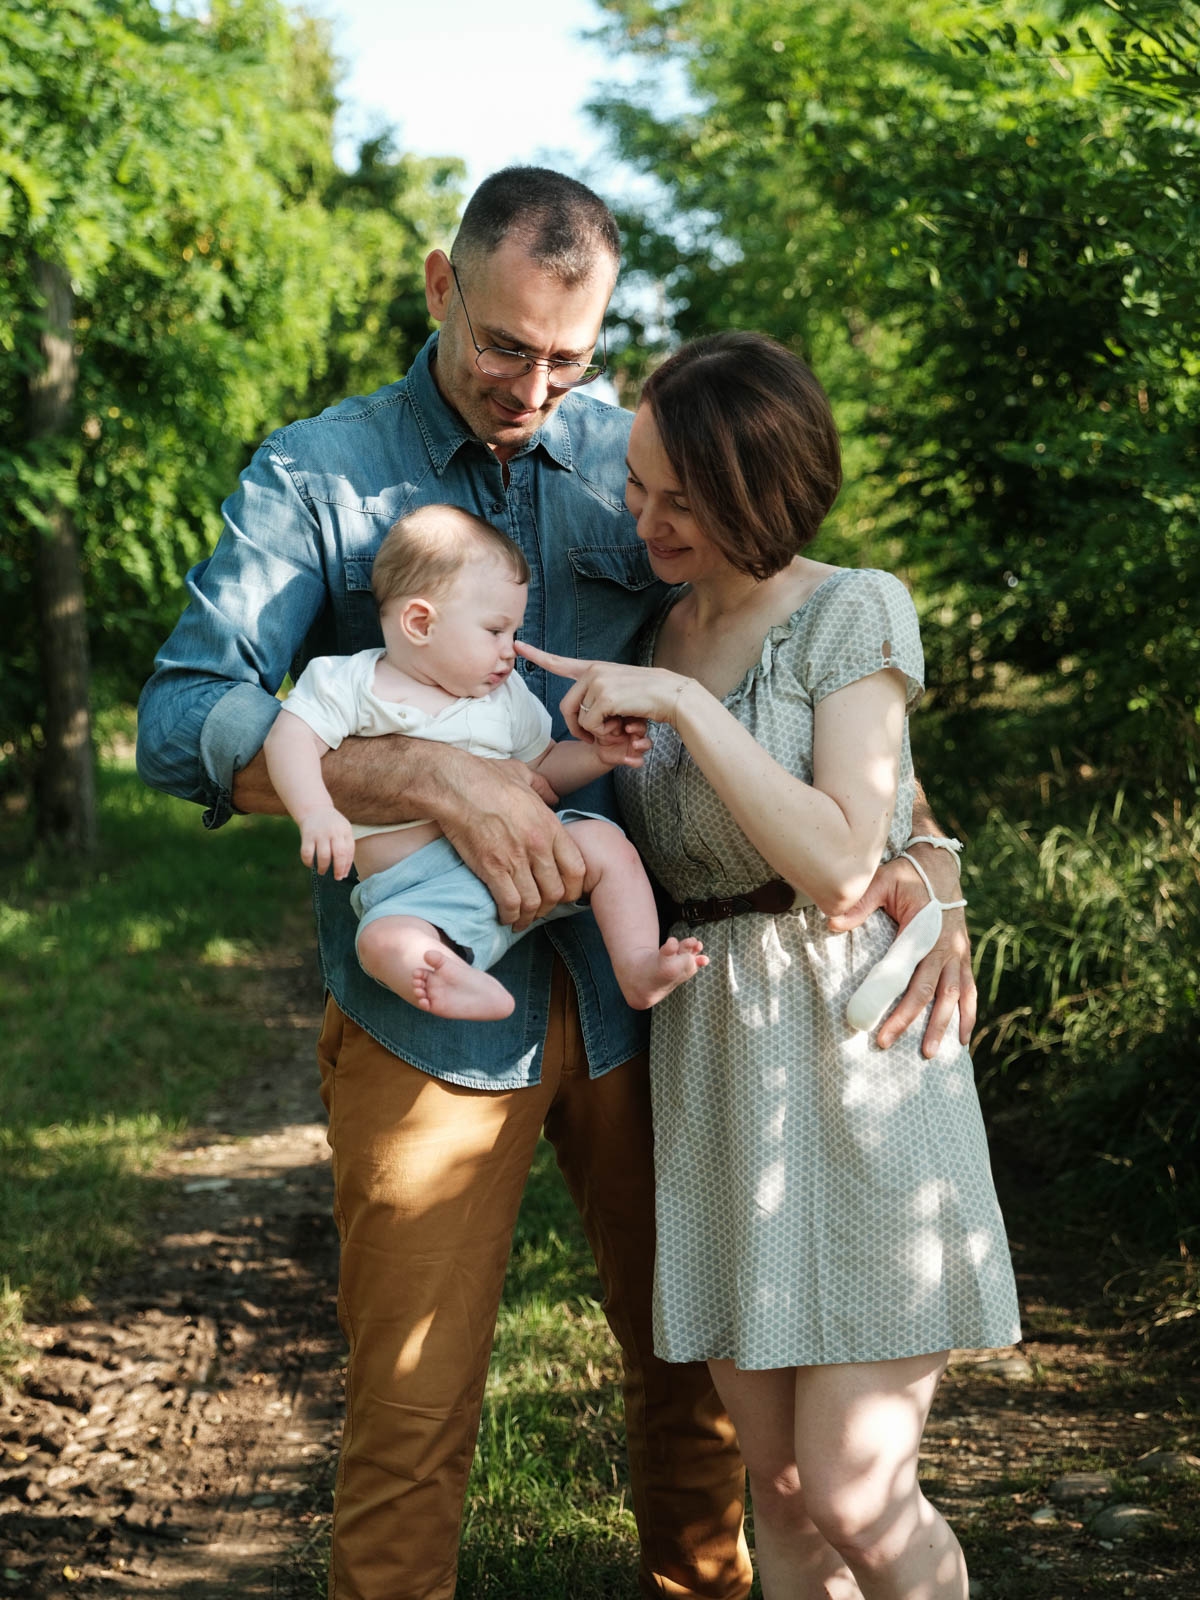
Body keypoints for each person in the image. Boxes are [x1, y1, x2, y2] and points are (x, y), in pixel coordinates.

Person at [136, 166, 975, 1600]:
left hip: (659, 1001)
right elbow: (179, 717)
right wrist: (424, 773)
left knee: (705, 1390)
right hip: (431, 1006)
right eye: (505, 346)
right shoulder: (319, 475)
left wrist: (929, 859)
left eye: (570, 359)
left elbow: (802, 659)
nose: (535, 389)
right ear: (440, 285)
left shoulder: (636, 458)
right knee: (411, 1409)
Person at [519, 331, 1022, 1600]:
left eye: (680, 499)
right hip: (718, 1071)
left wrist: (691, 709)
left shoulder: (853, 609)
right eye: (637, 485)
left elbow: (847, 862)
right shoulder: (656, 627)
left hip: (852, 1058)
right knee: (785, 1499)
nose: (646, 519)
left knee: (858, 1492)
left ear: (761, 489)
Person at [263, 503, 706, 1019]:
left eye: (513, 632)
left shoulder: (503, 696)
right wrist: (315, 810)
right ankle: (447, 975)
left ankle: (637, 966)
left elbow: (544, 767)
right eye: (496, 631)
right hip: (414, 891)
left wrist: (596, 755)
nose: (511, 650)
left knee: (607, 845)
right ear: (420, 623)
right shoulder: (351, 684)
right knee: (381, 939)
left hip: (534, 860)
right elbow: (289, 739)